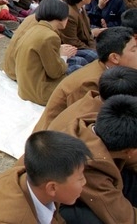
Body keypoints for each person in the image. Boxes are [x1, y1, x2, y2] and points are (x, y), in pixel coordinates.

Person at [0, 131, 91, 224]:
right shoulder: (11, 219)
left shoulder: (26, 175)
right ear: (52, 187)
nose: (84, 182)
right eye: (80, 178)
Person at [51, 95, 137, 223]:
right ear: (129, 151)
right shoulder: (89, 168)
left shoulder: (97, 123)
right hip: (62, 205)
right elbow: (123, 219)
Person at [32, 26, 137, 131]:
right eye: (134, 49)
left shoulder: (107, 67)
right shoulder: (91, 83)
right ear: (114, 58)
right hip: (54, 138)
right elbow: (81, 122)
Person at [14, 0, 71, 105]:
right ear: (61, 17)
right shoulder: (50, 36)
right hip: (40, 93)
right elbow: (55, 72)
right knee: (77, 71)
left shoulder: (34, 29)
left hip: (25, 89)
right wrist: (64, 56)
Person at [59, 0, 98, 64]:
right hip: (74, 48)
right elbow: (72, 41)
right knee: (94, 56)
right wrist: (91, 48)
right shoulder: (69, 14)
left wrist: (93, 45)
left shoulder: (80, 7)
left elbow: (88, 32)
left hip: (85, 43)